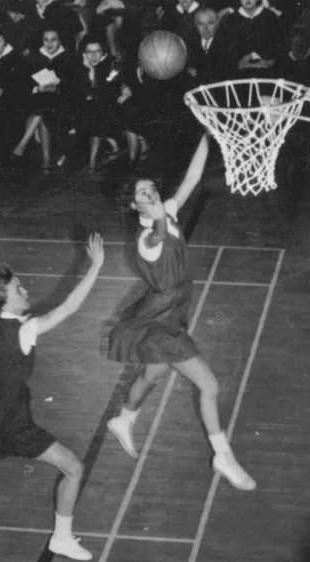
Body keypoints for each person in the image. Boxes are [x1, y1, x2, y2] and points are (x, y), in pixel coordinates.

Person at [104, 135, 257, 492]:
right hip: (161, 321)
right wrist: (158, 209)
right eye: (143, 194)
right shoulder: (148, 239)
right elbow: (159, 223)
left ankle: (123, 420)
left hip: (167, 312)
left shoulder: (166, 213)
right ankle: (223, 456)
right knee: (209, 385)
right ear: (134, 206)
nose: (152, 194)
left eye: (152, 189)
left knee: (153, 373)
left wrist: (207, 134)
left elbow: (191, 179)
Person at [0, 234, 106, 561]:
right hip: (13, 420)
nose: (26, 292)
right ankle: (61, 538)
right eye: (19, 290)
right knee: (74, 469)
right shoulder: (23, 330)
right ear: (4, 302)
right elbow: (69, 307)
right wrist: (96, 266)